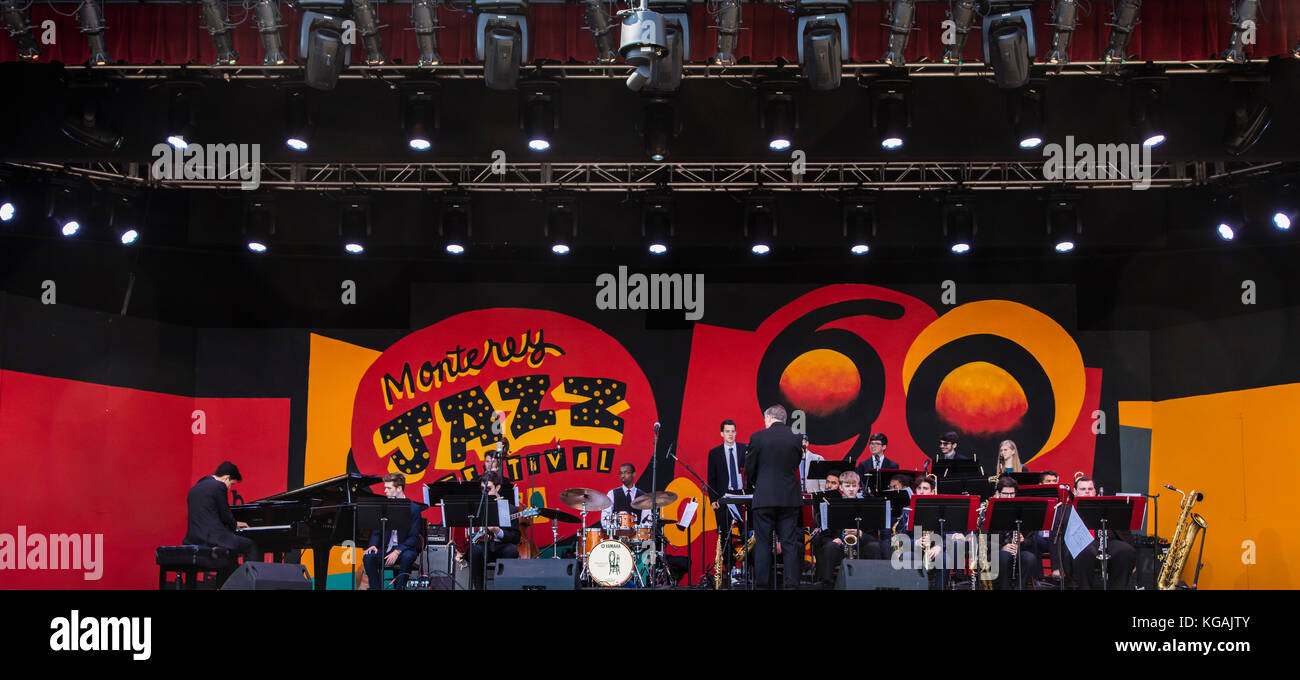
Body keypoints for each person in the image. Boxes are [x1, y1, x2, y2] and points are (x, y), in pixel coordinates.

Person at [745, 404, 804, 589]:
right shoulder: (796, 437)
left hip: (764, 497)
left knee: (762, 543)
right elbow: (796, 463)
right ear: (784, 419)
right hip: (788, 498)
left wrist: (757, 483)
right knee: (789, 543)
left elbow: (749, 468)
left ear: (769, 418)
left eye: (765, 419)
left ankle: (762, 585)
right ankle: (790, 585)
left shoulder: (757, 437)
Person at [1067, 476, 1137, 589]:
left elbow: (1123, 529)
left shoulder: (1107, 504)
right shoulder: (1068, 508)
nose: (1087, 492)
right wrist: (1056, 566)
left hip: (1108, 541)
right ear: (1075, 492)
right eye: (1083, 489)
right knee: (1084, 551)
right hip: (1083, 542)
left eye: (1090, 489)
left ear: (1095, 491)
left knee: (1126, 551)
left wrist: (1133, 560)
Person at [184, 461, 258, 565]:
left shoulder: (196, 487)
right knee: (250, 545)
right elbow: (225, 515)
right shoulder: (219, 486)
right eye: (231, 484)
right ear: (226, 478)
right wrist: (235, 524)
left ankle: (228, 577)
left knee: (231, 552)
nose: (229, 487)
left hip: (193, 539)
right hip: (212, 538)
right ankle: (246, 581)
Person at [363, 473, 423, 590]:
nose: (385, 491)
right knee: (368, 557)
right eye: (385, 488)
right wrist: (373, 545)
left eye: (388, 488)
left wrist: (397, 551)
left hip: (404, 549)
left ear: (399, 488)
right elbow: (377, 531)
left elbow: (413, 536)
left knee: (407, 557)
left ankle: (400, 588)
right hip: (386, 549)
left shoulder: (414, 508)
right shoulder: (384, 507)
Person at [468, 472, 522, 590]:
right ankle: (479, 588)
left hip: (502, 546)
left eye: (488, 489)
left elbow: (515, 537)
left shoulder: (509, 508)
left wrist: (498, 531)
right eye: (482, 489)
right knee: (474, 551)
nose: (484, 492)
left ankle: (504, 587)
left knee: (511, 550)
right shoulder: (477, 507)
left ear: (498, 487)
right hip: (483, 546)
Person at [987, 476, 1040, 589]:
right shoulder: (989, 512)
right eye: (1006, 494)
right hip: (995, 553)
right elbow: (983, 541)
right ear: (998, 493)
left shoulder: (1022, 512)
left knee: (1029, 558)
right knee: (1004, 555)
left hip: (1018, 552)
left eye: (1012, 494)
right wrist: (1002, 547)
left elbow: (1032, 539)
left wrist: (1023, 540)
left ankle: (1019, 587)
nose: (1010, 497)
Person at [602, 462, 651, 527]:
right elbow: (605, 518)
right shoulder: (612, 494)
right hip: (616, 535)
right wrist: (611, 527)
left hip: (636, 535)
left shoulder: (643, 496)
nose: (622, 476)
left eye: (626, 472)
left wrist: (639, 529)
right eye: (621, 473)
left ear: (633, 474)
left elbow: (647, 520)